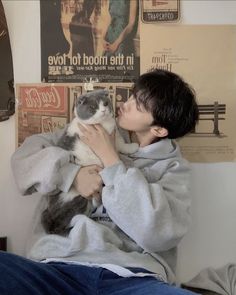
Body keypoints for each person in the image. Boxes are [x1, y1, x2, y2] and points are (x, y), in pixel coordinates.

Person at [1, 69, 199, 295]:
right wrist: (72, 175)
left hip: (133, 277)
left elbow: (158, 232)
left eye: (138, 105)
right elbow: (22, 161)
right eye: (133, 95)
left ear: (159, 129)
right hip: (58, 267)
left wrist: (110, 159)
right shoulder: (94, 127)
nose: (125, 104)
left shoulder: (173, 168)